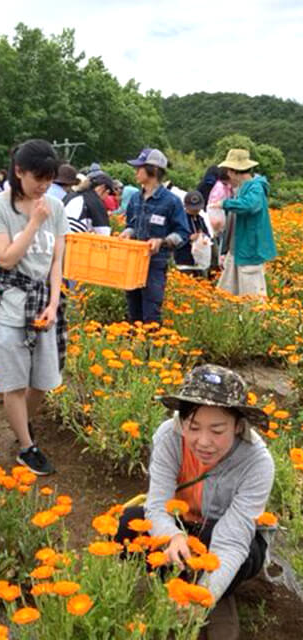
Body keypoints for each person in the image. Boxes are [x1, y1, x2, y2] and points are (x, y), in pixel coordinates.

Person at [115, 364, 275, 640]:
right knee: (130, 524)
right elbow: (157, 505)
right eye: (194, 427)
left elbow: (232, 542)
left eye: (217, 430)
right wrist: (172, 536)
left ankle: (212, 591)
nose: (203, 441)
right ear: (181, 420)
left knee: (238, 548)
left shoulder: (257, 463)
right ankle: (177, 581)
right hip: (182, 526)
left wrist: (204, 596)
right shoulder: (168, 437)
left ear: (238, 425)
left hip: (226, 537)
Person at [0, 139, 69, 475]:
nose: (44, 186)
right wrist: (33, 223)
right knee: (13, 382)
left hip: (44, 303)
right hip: (10, 304)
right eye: (37, 178)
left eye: (49, 179)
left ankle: (22, 426)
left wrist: (55, 302)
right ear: (19, 171)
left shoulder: (55, 207)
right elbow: (6, 257)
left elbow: (58, 259)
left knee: (44, 379)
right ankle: (27, 447)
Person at [120, 148, 190, 324]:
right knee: (133, 311)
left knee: (151, 312)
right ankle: (135, 347)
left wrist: (163, 241)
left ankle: (151, 349)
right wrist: (128, 232)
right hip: (133, 262)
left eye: (140, 168)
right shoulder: (135, 198)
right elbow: (131, 224)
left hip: (155, 264)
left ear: (154, 170)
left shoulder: (171, 201)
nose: (136, 172)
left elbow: (183, 234)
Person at [211, 149, 277, 297]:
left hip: (249, 251)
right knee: (225, 297)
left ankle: (252, 321)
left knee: (252, 301)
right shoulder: (241, 188)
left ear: (234, 171)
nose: (227, 174)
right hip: (236, 251)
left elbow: (250, 205)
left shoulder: (256, 187)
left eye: (228, 170)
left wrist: (225, 204)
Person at [174, 191, 212, 277]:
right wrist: (189, 238)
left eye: (198, 208)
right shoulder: (180, 219)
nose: (196, 210)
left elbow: (207, 233)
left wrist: (204, 237)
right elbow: (175, 237)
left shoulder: (200, 219)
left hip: (200, 261)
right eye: (193, 208)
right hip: (184, 260)